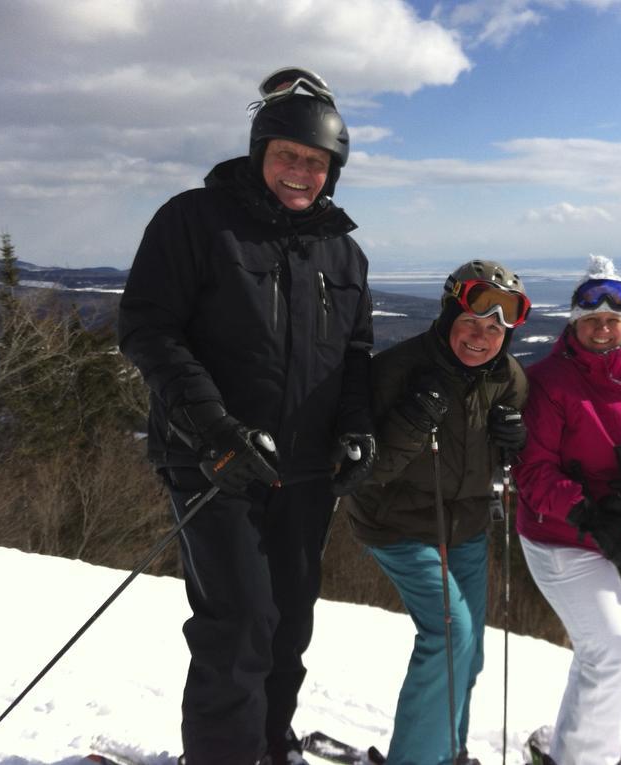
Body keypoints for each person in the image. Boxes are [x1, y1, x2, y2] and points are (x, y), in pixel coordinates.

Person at [118, 67, 376, 765]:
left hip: (303, 471)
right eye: (288, 155)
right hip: (214, 462)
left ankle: (268, 742)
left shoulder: (343, 253)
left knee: (288, 624)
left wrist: (356, 429)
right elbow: (149, 329)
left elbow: (355, 356)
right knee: (239, 623)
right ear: (260, 151)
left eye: (316, 162)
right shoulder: (195, 222)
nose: (300, 172)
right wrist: (215, 429)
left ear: (333, 171)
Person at [343, 260, 531, 765]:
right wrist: (410, 419)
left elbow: (496, 459)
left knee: (470, 653)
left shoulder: (508, 380)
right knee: (452, 634)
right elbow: (365, 472)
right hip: (398, 522)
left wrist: (513, 445)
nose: (481, 336)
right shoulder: (396, 372)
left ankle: (447, 751)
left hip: (465, 526)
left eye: (495, 328)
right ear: (449, 315)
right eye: (471, 321)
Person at [513, 255, 621, 765]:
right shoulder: (549, 381)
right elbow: (532, 471)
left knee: (604, 654)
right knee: (615, 651)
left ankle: (573, 745)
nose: (603, 327)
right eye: (592, 318)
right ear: (575, 321)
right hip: (565, 541)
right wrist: (588, 511)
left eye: (613, 319)